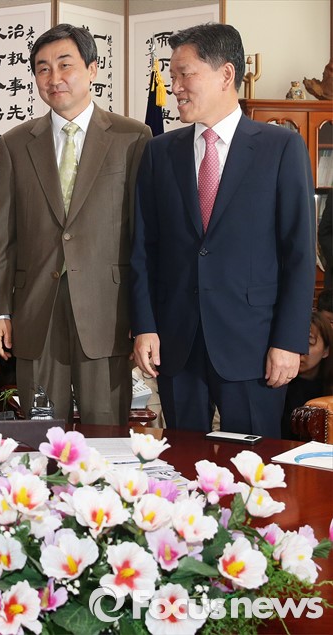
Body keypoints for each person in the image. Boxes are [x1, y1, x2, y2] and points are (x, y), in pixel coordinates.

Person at [131, 23, 316, 438]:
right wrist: (144, 326)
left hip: (254, 346)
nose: (175, 87)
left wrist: (289, 342)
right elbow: (144, 248)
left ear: (226, 74)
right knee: (181, 462)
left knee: (252, 467)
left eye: (185, 74)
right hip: (176, 344)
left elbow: (299, 254)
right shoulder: (159, 152)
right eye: (172, 75)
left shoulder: (280, 148)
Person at [0, 24, 151, 424]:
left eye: (64, 65)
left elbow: (143, 235)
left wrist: (144, 317)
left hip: (108, 310)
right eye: (42, 68)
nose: (53, 77)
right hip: (35, 309)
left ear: (92, 69)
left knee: (106, 431)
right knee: (41, 431)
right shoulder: (15, 143)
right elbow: (0, 237)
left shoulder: (133, 137)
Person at [281, 311, 333, 439]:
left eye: (309, 343)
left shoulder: (328, 388)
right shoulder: (278, 386)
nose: (300, 350)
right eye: (294, 342)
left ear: (326, 351)